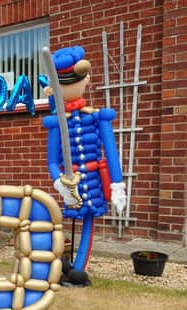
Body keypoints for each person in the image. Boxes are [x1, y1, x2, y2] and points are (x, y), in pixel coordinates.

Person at [43, 46, 126, 287]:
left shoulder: (98, 117)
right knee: (69, 217)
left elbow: (110, 152)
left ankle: (79, 269)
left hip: (93, 178)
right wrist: (59, 181)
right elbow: (51, 160)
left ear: (85, 79)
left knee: (89, 217)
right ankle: (65, 266)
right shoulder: (57, 124)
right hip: (71, 181)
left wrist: (117, 184)